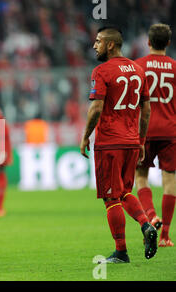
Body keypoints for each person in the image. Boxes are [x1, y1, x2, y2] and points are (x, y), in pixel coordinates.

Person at [80, 26, 157, 263]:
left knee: (111, 197)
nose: (94, 45)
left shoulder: (102, 71)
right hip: (131, 141)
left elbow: (96, 108)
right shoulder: (138, 70)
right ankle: (146, 224)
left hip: (109, 142)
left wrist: (85, 136)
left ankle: (121, 251)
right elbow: (146, 111)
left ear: (110, 45)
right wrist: (141, 140)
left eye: (98, 41)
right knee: (125, 192)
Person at [134, 23, 176, 247]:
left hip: (144, 129)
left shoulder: (138, 66)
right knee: (170, 181)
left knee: (141, 176)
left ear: (148, 42)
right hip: (170, 131)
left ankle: (151, 216)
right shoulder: (175, 68)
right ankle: (166, 236)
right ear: (168, 43)